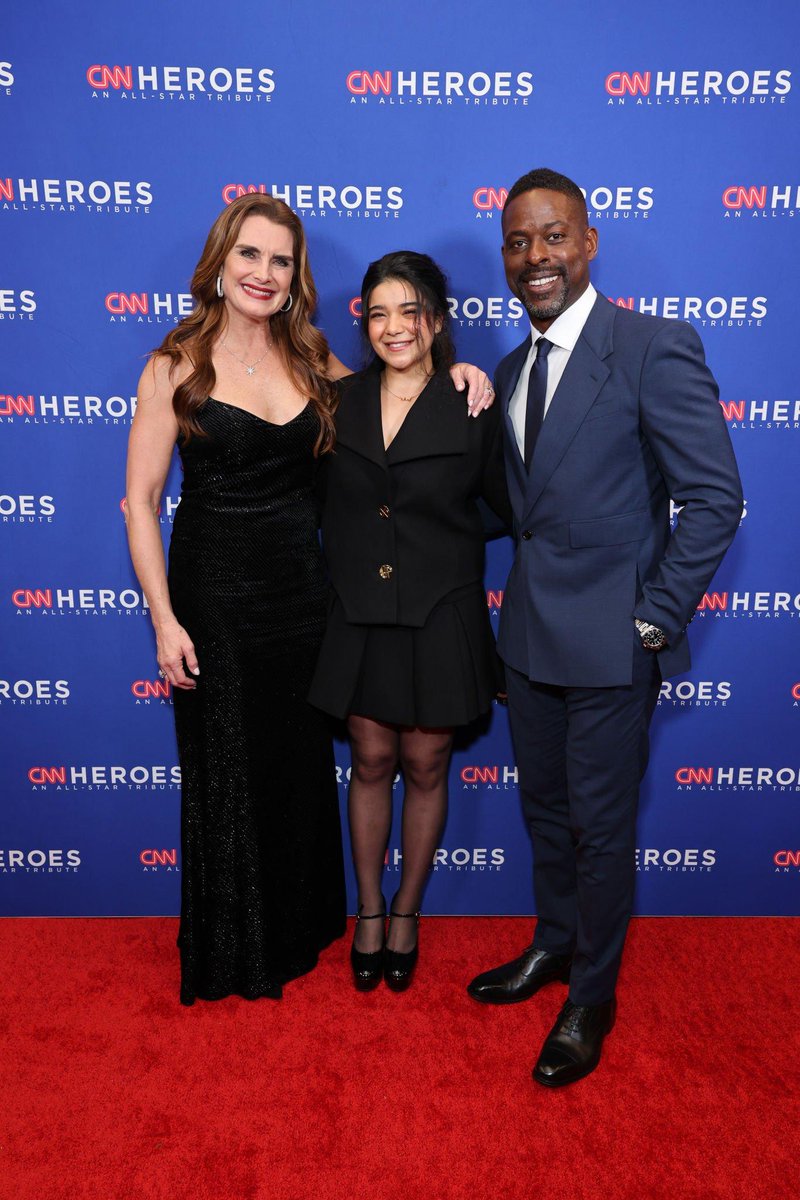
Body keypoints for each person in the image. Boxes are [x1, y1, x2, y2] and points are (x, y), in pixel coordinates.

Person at [125, 195, 494, 1005]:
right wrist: (164, 618)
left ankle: (300, 925)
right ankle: (234, 946)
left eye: (281, 260)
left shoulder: (312, 357)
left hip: (306, 597)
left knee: (295, 768)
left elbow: (394, 396)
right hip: (215, 597)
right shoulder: (173, 365)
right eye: (249, 255)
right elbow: (141, 501)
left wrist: (456, 370)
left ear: (297, 278)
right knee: (227, 769)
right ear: (220, 263)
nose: (264, 273)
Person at [466, 169, 743, 1086]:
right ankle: (552, 945)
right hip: (531, 640)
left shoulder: (652, 345)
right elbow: (519, 511)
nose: (533, 256)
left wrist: (655, 619)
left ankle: (593, 994)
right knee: (544, 810)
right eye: (517, 242)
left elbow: (713, 499)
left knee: (600, 823)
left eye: (551, 237)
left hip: (616, 644)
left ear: (588, 242)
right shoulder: (510, 370)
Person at [309, 251, 510, 992]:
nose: (396, 326)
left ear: (438, 320)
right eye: (380, 312)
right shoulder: (336, 399)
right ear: (363, 322)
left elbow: (502, 506)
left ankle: (407, 911)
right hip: (360, 613)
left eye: (412, 310)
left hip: (439, 612)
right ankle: (367, 911)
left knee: (427, 765)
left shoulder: (473, 403)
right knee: (370, 763)